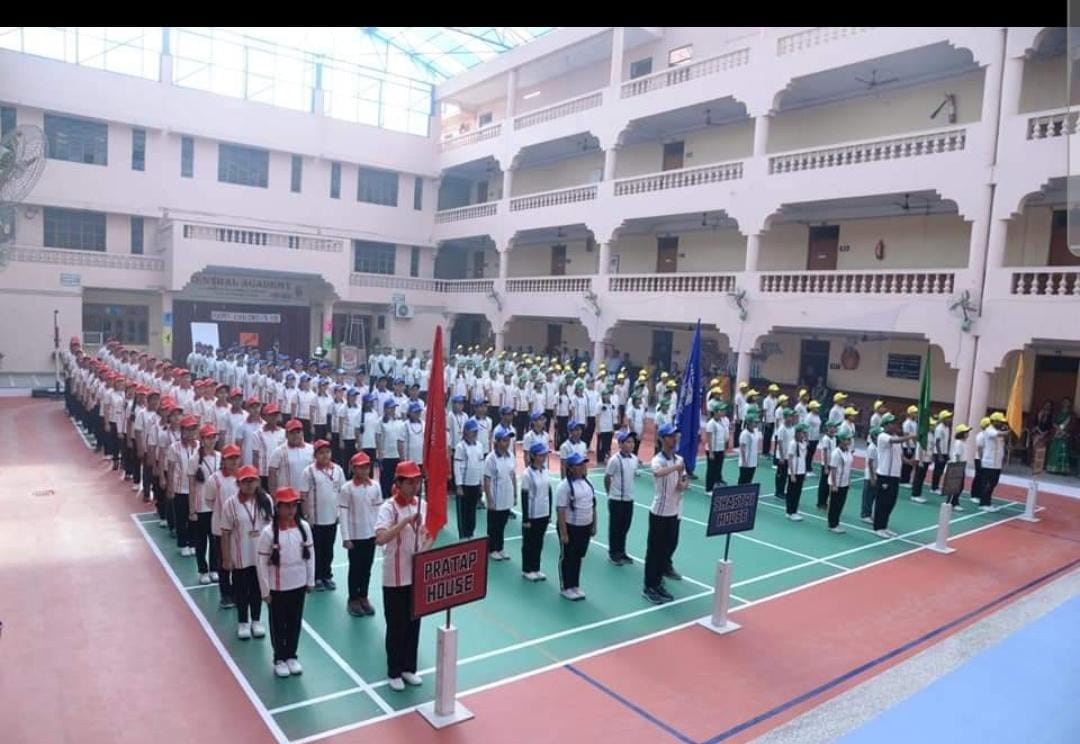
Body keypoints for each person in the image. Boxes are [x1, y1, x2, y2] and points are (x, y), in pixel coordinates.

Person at [375, 461, 431, 692]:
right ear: (398, 483)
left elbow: (430, 533)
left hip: (416, 576)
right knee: (396, 625)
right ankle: (394, 671)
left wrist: (424, 550)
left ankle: (409, 667)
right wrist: (405, 522)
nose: (414, 486)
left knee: (413, 624)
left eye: (417, 481)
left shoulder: (422, 505)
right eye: (409, 482)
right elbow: (380, 538)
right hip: (395, 577)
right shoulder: (388, 508)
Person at [256, 487, 315, 678]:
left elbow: (310, 556)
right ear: (278, 507)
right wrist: (265, 590)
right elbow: (261, 563)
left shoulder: (303, 528)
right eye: (287, 506)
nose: (291, 510)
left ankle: (291, 655)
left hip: (298, 584)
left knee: (294, 621)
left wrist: (310, 580)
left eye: (294, 506)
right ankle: (279, 658)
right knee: (278, 623)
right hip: (278, 588)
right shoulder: (268, 533)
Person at [220, 465, 274, 640]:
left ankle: (256, 620)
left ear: (258, 481)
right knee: (241, 590)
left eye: (252, 480)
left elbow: (272, 529)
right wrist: (226, 558)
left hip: (261, 556)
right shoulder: (230, 504)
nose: (249, 484)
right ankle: (243, 622)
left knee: (258, 589)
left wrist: (273, 552)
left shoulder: (266, 500)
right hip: (240, 556)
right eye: (245, 481)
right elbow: (225, 533)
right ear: (238, 483)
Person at [643, 424, 688, 604]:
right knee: (654, 552)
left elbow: (684, 480)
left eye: (675, 436)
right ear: (662, 439)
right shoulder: (658, 459)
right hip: (659, 513)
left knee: (664, 551)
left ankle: (658, 582)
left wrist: (683, 484)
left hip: (673, 513)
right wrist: (676, 468)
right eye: (670, 436)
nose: (674, 439)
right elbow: (657, 473)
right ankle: (649, 587)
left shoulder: (679, 459)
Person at [339, 452, 383, 616]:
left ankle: (363, 596)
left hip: (370, 535)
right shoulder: (347, 488)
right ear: (353, 468)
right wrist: (346, 537)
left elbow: (378, 510)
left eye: (366, 467)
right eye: (360, 467)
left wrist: (380, 531)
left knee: (367, 568)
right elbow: (343, 514)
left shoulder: (375, 486)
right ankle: (353, 599)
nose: (364, 470)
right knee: (355, 568)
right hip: (355, 536)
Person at [300, 440, 344, 591]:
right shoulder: (309, 472)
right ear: (315, 455)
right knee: (316, 550)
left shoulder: (338, 470)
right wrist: (307, 515)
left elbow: (342, 491)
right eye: (321, 453)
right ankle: (316, 577)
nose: (325, 455)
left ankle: (327, 575)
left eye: (327, 452)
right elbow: (304, 495)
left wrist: (339, 513)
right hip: (316, 519)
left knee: (329, 548)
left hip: (332, 518)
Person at [556, 451, 595, 601]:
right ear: (571, 468)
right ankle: (566, 586)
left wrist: (593, 524)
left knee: (578, 556)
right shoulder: (564, 487)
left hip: (585, 526)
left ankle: (575, 584)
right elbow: (561, 511)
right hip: (571, 527)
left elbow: (593, 505)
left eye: (583, 464)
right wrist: (564, 533)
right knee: (568, 557)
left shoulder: (587, 484)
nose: (583, 467)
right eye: (579, 465)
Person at [206, 444, 241, 609]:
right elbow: (209, 501)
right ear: (224, 460)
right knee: (224, 562)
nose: (234, 461)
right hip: (220, 529)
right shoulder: (215, 479)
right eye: (230, 458)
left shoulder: (244, 477)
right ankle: (225, 594)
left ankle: (238, 593)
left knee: (239, 562)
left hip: (240, 529)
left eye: (236, 458)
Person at [188, 423, 222, 585]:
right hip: (201, 506)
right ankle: (202, 570)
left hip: (217, 506)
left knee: (215, 539)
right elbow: (191, 486)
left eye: (213, 437)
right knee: (201, 540)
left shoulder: (220, 457)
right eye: (208, 437)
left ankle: (214, 568)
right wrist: (192, 510)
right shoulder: (194, 460)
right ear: (202, 440)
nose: (212, 440)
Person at [874, 414, 917, 537]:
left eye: (895, 423)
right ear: (885, 425)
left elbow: (900, 454)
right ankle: (878, 527)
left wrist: (909, 462)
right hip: (885, 475)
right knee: (882, 502)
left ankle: (884, 526)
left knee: (891, 502)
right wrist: (910, 436)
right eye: (892, 423)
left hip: (895, 475)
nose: (895, 425)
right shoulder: (882, 436)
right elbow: (894, 441)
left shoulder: (896, 437)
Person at [605, 430, 639, 567]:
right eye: (628, 442)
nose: (631, 444)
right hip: (616, 499)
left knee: (625, 526)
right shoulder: (615, 460)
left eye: (632, 442)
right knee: (615, 527)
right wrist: (610, 493)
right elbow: (608, 477)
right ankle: (613, 553)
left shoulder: (634, 459)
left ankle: (622, 551)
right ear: (620, 444)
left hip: (629, 499)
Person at [483, 426, 517, 561]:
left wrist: (514, 494)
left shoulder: (511, 456)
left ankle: (500, 547)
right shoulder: (491, 459)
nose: (507, 443)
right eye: (504, 440)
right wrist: (489, 499)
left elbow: (513, 475)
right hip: (495, 497)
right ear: (497, 441)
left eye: (508, 440)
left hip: (506, 496)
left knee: (502, 523)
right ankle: (492, 549)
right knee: (493, 525)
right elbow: (487, 480)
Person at [520, 442, 552, 582]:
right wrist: (526, 518)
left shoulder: (545, 471)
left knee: (539, 542)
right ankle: (527, 569)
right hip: (532, 514)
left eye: (544, 455)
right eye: (540, 455)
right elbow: (524, 495)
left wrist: (549, 513)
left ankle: (536, 568)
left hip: (543, 513)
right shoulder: (527, 474)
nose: (543, 457)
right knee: (529, 543)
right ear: (533, 456)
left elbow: (548, 492)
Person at [453, 418, 485, 539]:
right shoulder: (460, 447)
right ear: (466, 431)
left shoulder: (480, 446)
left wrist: (481, 482)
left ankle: (471, 533)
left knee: (472, 510)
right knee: (463, 511)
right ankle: (463, 536)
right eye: (473, 431)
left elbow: (481, 465)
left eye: (476, 431)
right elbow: (457, 466)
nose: (475, 433)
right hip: (464, 484)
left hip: (475, 484)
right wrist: (459, 485)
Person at [376, 400, 404, 501]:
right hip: (386, 455)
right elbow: (378, 437)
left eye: (394, 408)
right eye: (390, 408)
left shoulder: (399, 420)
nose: (393, 410)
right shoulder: (380, 421)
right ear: (385, 409)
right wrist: (380, 452)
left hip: (397, 454)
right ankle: (384, 498)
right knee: (385, 479)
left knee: (396, 478)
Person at [979, 412, 1008, 511]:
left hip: (997, 463)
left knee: (993, 484)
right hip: (989, 463)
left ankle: (988, 502)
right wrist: (1009, 431)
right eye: (1000, 422)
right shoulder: (989, 430)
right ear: (994, 421)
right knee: (987, 484)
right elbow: (998, 434)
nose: (1001, 424)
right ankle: (983, 503)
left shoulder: (998, 431)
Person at [827, 432, 854, 533]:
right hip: (837, 483)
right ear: (841, 440)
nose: (849, 442)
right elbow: (833, 469)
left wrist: (849, 481)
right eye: (847, 440)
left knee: (841, 504)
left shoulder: (848, 451)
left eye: (849, 440)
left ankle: (836, 522)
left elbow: (849, 467)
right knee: (834, 504)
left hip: (844, 482)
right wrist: (834, 484)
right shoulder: (836, 453)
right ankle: (832, 524)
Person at [785, 423, 809, 521]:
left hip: (801, 471)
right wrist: (792, 473)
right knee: (792, 492)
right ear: (798, 433)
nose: (805, 434)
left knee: (798, 492)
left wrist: (805, 471)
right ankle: (790, 511)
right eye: (804, 432)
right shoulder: (793, 443)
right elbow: (790, 458)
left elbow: (804, 458)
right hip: (794, 472)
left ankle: (793, 510)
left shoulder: (804, 443)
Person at [704, 402, 729, 492]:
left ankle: (716, 484)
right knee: (711, 470)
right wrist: (711, 452)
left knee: (718, 468)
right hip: (713, 450)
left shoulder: (723, 421)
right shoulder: (711, 423)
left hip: (720, 449)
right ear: (715, 412)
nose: (723, 412)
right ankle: (709, 489)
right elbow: (709, 438)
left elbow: (724, 437)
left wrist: (724, 450)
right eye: (721, 410)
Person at [909, 419, 935, 504]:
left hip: (927, 459)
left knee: (922, 477)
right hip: (921, 459)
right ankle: (915, 494)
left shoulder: (931, 435)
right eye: (931, 425)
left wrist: (931, 458)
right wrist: (920, 460)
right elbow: (920, 448)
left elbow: (930, 447)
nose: (933, 427)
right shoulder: (924, 435)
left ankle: (918, 494)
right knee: (918, 477)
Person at [1047, 398, 1075, 475]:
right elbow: (1053, 422)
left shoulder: (1071, 415)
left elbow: (1072, 425)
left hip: (1065, 434)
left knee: (1062, 451)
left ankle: (1062, 470)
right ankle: (1052, 468)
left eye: (1067, 402)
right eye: (1064, 402)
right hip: (1056, 433)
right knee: (1054, 450)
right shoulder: (1057, 413)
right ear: (1062, 403)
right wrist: (1058, 429)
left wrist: (1063, 431)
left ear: (1070, 404)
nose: (1065, 403)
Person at [947, 424, 971, 512]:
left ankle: (955, 502)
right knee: (956, 486)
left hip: (961, 466)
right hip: (957, 466)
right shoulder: (959, 443)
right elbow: (957, 455)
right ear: (961, 433)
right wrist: (958, 468)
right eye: (966, 432)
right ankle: (951, 503)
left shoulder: (963, 443)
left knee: (960, 486)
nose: (968, 433)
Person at [860, 427, 880, 524]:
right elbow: (870, 463)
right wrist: (872, 477)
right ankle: (865, 514)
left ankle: (869, 513)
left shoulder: (878, 446)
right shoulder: (872, 448)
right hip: (870, 475)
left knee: (874, 495)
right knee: (868, 496)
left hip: (876, 474)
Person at [815, 422, 836, 510]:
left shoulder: (834, 438)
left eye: (834, 427)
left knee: (828, 484)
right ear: (828, 428)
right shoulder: (826, 439)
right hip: (826, 464)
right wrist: (826, 466)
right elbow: (825, 453)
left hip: (832, 463)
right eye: (831, 427)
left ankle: (825, 502)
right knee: (823, 484)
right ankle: (820, 502)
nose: (833, 429)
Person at [930, 410, 953, 492]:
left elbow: (947, 441)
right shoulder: (939, 428)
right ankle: (934, 487)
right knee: (937, 470)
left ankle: (936, 485)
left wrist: (947, 453)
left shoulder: (947, 428)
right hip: (939, 452)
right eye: (948, 418)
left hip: (944, 452)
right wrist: (939, 455)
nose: (950, 419)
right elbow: (937, 442)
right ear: (943, 419)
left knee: (941, 470)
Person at [738, 414, 762, 485]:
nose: (756, 424)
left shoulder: (756, 432)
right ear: (749, 423)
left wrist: (757, 459)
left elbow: (756, 447)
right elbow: (742, 448)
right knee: (743, 480)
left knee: (749, 479)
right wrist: (744, 461)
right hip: (746, 461)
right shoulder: (744, 434)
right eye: (754, 422)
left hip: (753, 460)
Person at [901, 405, 919, 483]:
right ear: (910, 413)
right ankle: (903, 480)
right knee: (906, 465)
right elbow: (906, 435)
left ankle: (907, 479)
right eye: (914, 413)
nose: (916, 414)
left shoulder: (915, 423)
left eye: (916, 413)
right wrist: (908, 447)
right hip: (907, 446)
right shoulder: (907, 423)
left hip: (913, 445)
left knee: (911, 464)